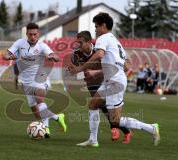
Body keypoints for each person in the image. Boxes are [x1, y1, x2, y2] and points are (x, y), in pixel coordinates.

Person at [69, 12, 160, 147]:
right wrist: (97, 74)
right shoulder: (115, 41)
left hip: (115, 82)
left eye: (96, 26)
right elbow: (122, 66)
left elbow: (99, 54)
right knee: (93, 105)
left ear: (103, 26)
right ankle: (93, 140)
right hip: (112, 80)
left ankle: (151, 128)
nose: (95, 29)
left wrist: (80, 68)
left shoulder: (103, 38)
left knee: (115, 121)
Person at [3, 23, 67, 138]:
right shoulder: (19, 43)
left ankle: (48, 127)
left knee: (39, 99)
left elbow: (55, 56)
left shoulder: (42, 46)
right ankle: (55, 119)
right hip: (26, 82)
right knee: (37, 113)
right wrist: (8, 57)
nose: (33, 36)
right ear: (26, 34)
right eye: (30, 34)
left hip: (40, 78)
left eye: (35, 34)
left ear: (38, 34)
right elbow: (7, 55)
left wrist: (53, 57)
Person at [69, 31, 132, 144]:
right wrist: (72, 69)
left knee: (106, 110)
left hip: (105, 82)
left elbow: (116, 66)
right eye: (77, 42)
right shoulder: (76, 54)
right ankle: (120, 130)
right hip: (92, 86)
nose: (78, 45)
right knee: (103, 109)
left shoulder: (99, 49)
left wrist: (95, 72)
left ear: (89, 42)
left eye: (80, 42)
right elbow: (75, 68)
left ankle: (121, 130)